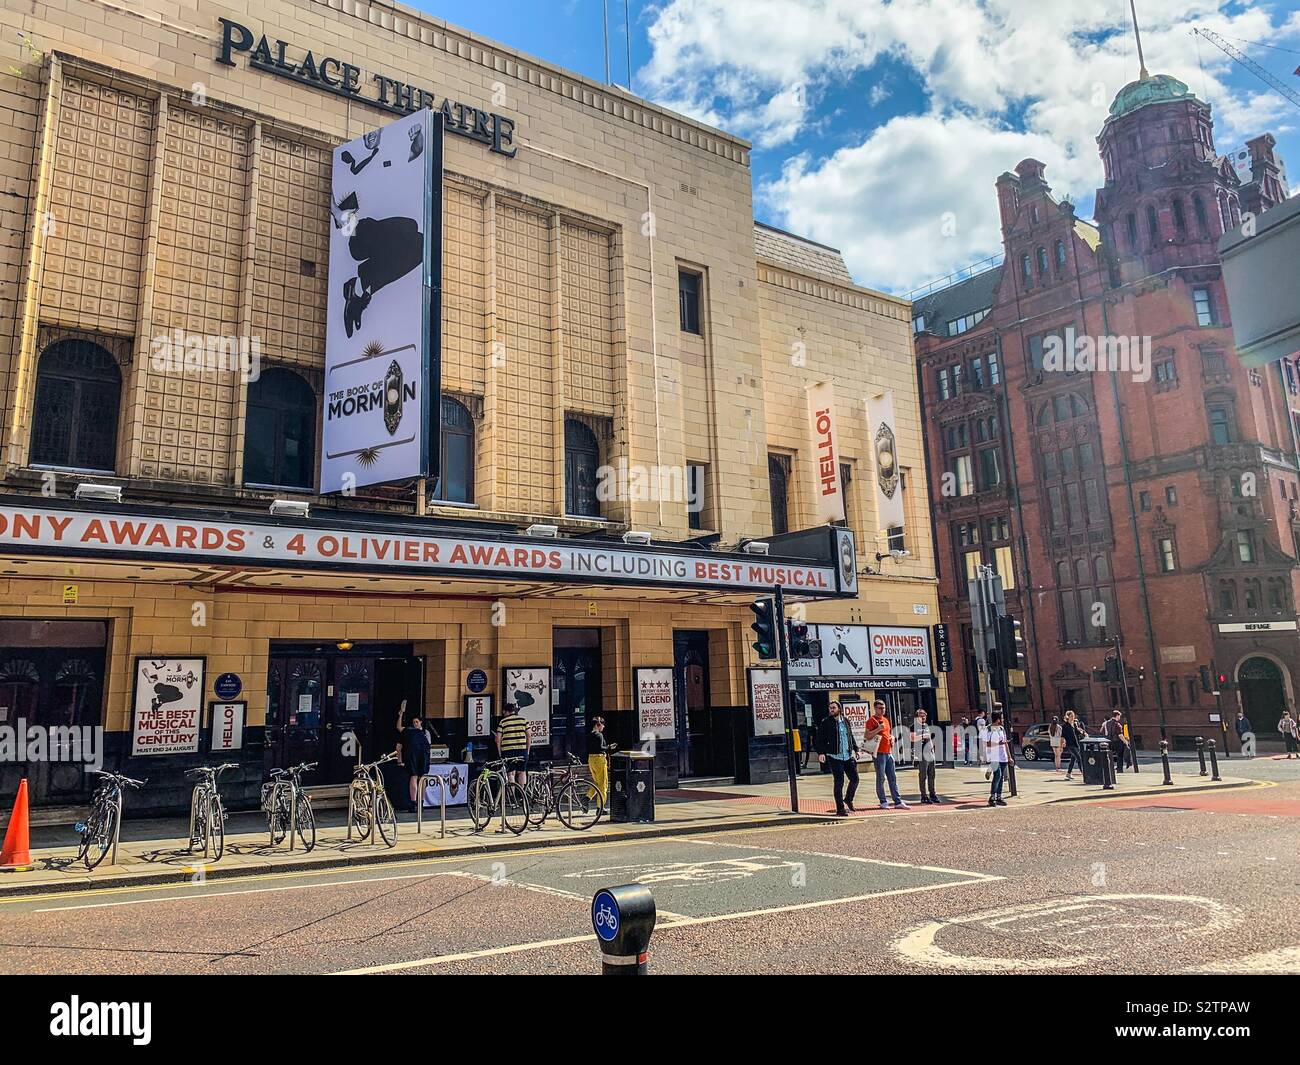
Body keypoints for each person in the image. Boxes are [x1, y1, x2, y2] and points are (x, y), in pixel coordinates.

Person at [815, 701, 860, 816]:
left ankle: (848, 799)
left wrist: (856, 749)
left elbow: (850, 736)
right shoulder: (826, 722)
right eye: (830, 708)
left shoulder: (846, 721)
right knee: (839, 782)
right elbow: (820, 739)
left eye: (834, 708)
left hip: (847, 756)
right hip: (834, 756)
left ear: (839, 709)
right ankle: (840, 809)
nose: (831, 710)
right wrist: (821, 753)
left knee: (855, 779)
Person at [865, 700, 908, 810]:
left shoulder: (885, 720)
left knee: (892, 777)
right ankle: (883, 801)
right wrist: (878, 729)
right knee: (881, 778)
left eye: (883, 708)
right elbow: (867, 735)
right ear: (875, 708)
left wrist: (892, 738)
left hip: (888, 752)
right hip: (879, 753)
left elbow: (887, 734)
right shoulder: (871, 720)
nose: (882, 710)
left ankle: (897, 801)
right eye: (880, 708)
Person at [396, 714, 432, 814]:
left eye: (417, 722)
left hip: (422, 754)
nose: (415, 724)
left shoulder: (425, 732)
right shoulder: (408, 731)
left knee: (422, 777)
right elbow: (399, 728)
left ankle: (421, 802)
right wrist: (400, 715)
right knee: (414, 776)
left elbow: (429, 746)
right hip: (415, 754)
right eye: (413, 722)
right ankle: (413, 803)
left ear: (420, 722)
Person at [495, 703, 531, 787]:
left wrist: (500, 752)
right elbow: (529, 736)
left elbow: (498, 739)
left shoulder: (503, 722)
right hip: (522, 750)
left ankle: (512, 797)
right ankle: (523, 795)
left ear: (505, 711)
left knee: (510, 773)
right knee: (522, 772)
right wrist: (527, 750)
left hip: (508, 751)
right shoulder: (523, 720)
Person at [911, 709, 939, 804]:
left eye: (924, 715)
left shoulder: (926, 726)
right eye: (921, 715)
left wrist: (933, 749)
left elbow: (930, 738)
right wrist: (923, 736)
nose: (923, 717)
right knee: (923, 775)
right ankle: (923, 795)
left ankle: (932, 793)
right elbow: (912, 738)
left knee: (932, 775)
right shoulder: (913, 726)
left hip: (930, 753)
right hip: (921, 753)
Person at [985, 711, 1009, 807]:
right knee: (997, 776)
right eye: (1001, 718)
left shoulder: (1002, 729)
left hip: (1003, 756)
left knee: (1001, 777)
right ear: (998, 719)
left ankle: (999, 796)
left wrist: (1009, 756)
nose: (1002, 720)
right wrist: (998, 743)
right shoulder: (989, 729)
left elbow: (1005, 743)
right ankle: (992, 797)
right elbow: (988, 743)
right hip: (994, 756)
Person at [587, 716, 610, 808]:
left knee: (597, 782)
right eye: (602, 724)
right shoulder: (599, 735)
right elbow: (600, 748)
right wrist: (609, 747)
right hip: (599, 759)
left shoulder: (589, 735)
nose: (603, 726)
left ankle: (587, 797)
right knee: (603, 784)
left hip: (591, 759)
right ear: (598, 725)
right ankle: (600, 807)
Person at [1062, 710, 1085, 780]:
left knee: (1073, 759)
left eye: (1073, 716)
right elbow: (1063, 735)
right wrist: (1063, 742)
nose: (1072, 717)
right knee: (1079, 757)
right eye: (1071, 716)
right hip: (1070, 744)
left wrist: (1082, 732)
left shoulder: (1074, 724)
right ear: (1067, 717)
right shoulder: (1065, 726)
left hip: (1076, 743)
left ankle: (1068, 773)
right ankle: (1084, 772)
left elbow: (1077, 733)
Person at [1103, 710, 1127, 775]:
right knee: (1119, 756)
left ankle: (1111, 769)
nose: (1119, 718)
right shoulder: (1117, 724)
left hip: (1110, 741)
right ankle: (1119, 770)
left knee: (1110, 756)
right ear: (1117, 715)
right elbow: (1120, 735)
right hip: (1117, 741)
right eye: (1119, 716)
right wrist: (1125, 742)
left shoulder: (1107, 723)